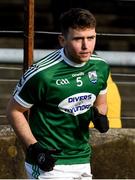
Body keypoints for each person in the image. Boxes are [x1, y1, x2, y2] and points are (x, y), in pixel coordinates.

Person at [6, 8, 110, 179]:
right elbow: (14, 111)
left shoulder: (101, 67)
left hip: (82, 157)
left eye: (91, 38)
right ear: (62, 40)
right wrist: (34, 148)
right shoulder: (42, 74)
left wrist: (100, 115)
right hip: (49, 162)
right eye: (78, 39)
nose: (86, 46)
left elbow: (101, 101)